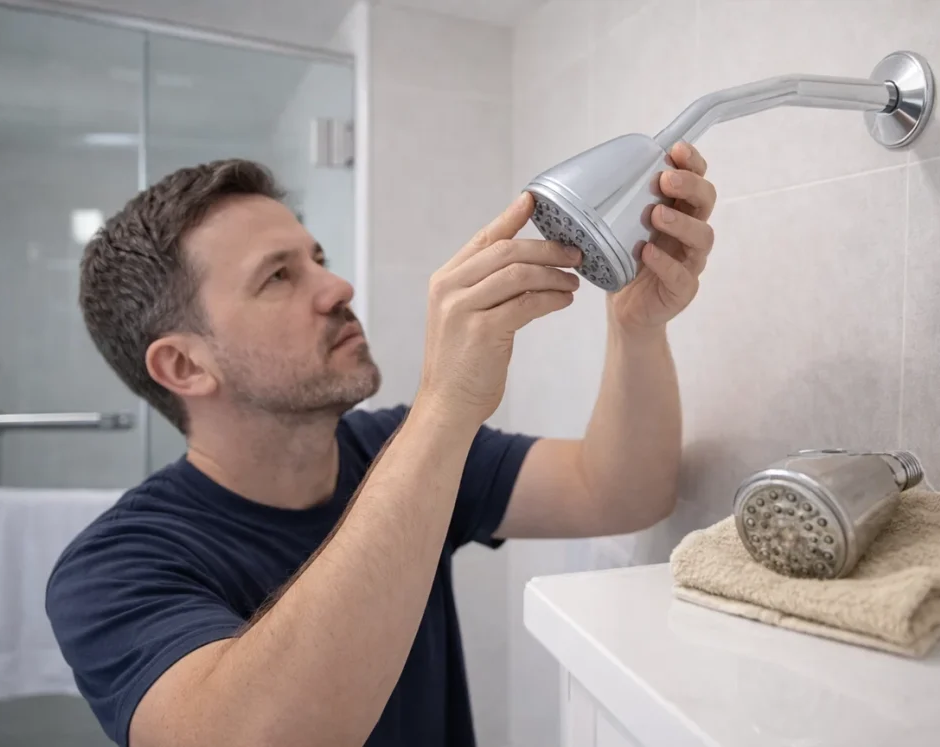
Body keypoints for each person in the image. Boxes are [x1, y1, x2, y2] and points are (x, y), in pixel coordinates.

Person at [45, 143, 717, 747]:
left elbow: (620, 492)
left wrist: (636, 327)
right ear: (185, 366)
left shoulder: (387, 448)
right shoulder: (113, 569)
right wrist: (444, 405)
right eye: (278, 276)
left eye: (318, 260)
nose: (338, 287)